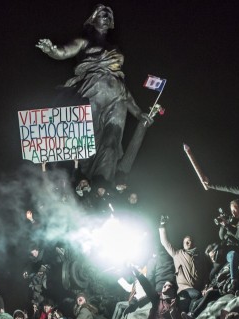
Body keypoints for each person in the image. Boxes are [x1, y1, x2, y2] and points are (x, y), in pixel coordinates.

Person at [36, 4, 153, 185]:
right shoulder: (84, 42)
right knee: (87, 141)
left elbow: (121, 85)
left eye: (109, 15)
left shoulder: (115, 47)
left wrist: (137, 112)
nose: (106, 17)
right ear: (93, 18)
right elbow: (64, 52)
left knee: (112, 143)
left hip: (118, 97)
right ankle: (83, 183)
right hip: (92, 92)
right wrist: (51, 50)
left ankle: (102, 186)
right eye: (102, 14)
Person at [159, 216, 210, 313]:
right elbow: (165, 242)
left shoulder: (200, 257)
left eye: (188, 241)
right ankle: (190, 315)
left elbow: (205, 275)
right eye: (184, 242)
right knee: (196, 295)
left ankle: (190, 317)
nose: (186, 243)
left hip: (197, 289)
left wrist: (205, 287)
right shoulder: (177, 254)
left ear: (193, 243)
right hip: (184, 290)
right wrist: (162, 226)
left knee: (201, 298)